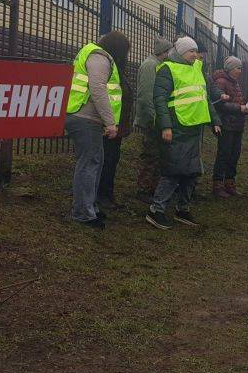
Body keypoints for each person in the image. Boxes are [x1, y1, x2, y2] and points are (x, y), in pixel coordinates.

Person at [146, 36, 220, 229]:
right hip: (176, 127)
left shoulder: (197, 69)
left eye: (196, 51)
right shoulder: (167, 69)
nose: (195, 55)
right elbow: (159, 100)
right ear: (180, 52)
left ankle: (183, 208)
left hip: (194, 128)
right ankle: (156, 210)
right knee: (174, 171)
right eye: (190, 51)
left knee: (192, 172)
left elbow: (204, 97)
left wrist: (215, 121)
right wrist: (165, 126)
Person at [64, 30, 130, 229]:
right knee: (89, 163)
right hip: (85, 118)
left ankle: (90, 207)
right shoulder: (100, 58)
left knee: (95, 162)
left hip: (87, 117)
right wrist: (110, 123)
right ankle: (83, 213)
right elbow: (98, 89)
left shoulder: (96, 55)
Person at [134, 36, 174, 200]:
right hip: (151, 120)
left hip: (154, 119)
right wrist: (157, 119)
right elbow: (147, 96)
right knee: (151, 155)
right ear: (163, 52)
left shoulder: (157, 65)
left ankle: (151, 187)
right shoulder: (151, 66)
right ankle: (144, 189)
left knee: (156, 155)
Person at [211, 56, 248, 197]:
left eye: (241, 68)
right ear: (230, 68)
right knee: (224, 154)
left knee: (234, 154)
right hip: (227, 124)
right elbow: (220, 104)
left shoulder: (235, 83)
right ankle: (218, 185)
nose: (240, 71)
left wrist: (246, 107)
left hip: (237, 124)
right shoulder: (221, 81)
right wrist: (240, 108)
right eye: (238, 68)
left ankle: (229, 183)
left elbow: (235, 101)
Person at [97, 61, 133, 209]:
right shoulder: (109, 69)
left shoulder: (118, 70)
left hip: (116, 125)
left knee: (112, 160)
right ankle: (101, 195)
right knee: (107, 160)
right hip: (109, 126)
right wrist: (109, 123)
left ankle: (107, 194)